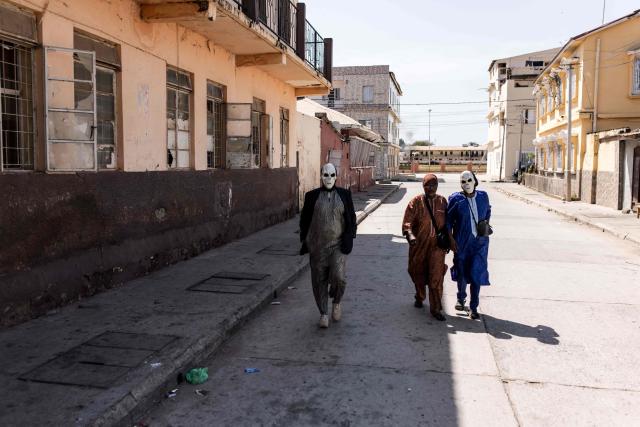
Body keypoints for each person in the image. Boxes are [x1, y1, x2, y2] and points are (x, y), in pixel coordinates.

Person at [299, 163, 357, 328]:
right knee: (319, 281)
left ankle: (337, 302)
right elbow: (304, 220)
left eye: (332, 175)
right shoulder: (311, 196)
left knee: (339, 277)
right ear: (321, 176)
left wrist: (350, 236)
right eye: (326, 175)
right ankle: (323, 313)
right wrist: (305, 240)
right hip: (317, 246)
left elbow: (351, 218)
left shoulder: (344, 195)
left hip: (338, 245)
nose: (329, 179)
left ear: (336, 176)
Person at [402, 173, 448, 321]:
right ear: (423, 186)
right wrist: (410, 235)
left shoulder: (442, 202)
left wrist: (449, 241)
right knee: (417, 272)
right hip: (419, 245)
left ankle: (436, 309)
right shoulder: (416, 202)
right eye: (428, 185)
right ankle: (420, 295)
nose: (431, 188)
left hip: (437, 247)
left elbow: (449, 224)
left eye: (434, 185)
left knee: (436, 277)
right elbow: (407, 222)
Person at [447, 171, 491, 320]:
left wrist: (485, 224)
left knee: (476, 273)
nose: (466, 184)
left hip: (480, 243)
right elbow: (448, 221)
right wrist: (451, 239)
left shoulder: (483, 196)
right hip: (461, 241)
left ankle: (473, 307)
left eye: (469, 180)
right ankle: (460, 297)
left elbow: (488, 210)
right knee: (461, 271)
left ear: (475, 181)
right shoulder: (456, 199)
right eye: (463, 181)